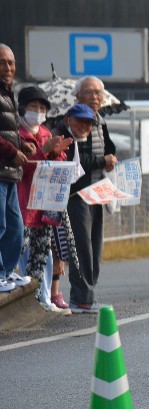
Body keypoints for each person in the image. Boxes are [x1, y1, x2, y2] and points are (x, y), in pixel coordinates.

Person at [58, 76, 117, 313]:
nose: (95, 97)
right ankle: (81, 298)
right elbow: (79, 159)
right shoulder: (75, 122)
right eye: (89, 93)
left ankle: (88, 296)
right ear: (78, 96)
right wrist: (104, 160)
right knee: (81, 247)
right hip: (77, 194)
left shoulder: (100, 121)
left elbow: (109, 147)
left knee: (95, 246)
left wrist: (111, 158)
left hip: (98, 191)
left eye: (98, 93)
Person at [15, 85, 73, 314]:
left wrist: (57, 153)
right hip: (24, 204)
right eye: (33, 107)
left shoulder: (47, 134)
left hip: (45, 206)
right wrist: (43, 152)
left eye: (42, 107)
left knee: (44, 253)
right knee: (23, 253)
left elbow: (55, 167)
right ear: (21, 109)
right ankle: (26, 302)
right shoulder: (18, 135)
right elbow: (25, 169)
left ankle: (44, 298)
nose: (38, 112)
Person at [0, 43, 32, 294]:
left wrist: (26, 144)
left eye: (11, 62)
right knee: (1, 226)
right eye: (3, 62)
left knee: (15, 228)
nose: (8, 67)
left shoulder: (8, 93)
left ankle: (8, 271)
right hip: (2, 170)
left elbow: (11, 132)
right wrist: (13, 152)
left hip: (10, 173)